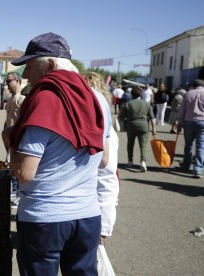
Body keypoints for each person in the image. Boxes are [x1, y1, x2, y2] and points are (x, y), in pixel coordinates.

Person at [2, 32, 111, 276]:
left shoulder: (45, 99)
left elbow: (24, 173)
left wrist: (10, 140)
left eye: (29, 66)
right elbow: (103, 160)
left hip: (45, 218)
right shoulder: (99, 100)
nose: (25, 75)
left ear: (50, 65)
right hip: (88, 215)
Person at [84, 71, 119, 245]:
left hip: (94, 215)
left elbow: (107, 178)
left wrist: (104, 227)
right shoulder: (87, 124)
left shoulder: (107, 132)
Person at [176, 79, 204, 178]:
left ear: (193, 86)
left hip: (188, 123)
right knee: (201, 146)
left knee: (188, 145)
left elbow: (181, 111)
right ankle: (198, 169)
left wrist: (179, 124)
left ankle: (186, 165)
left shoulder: (188, 94)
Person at [119, 86, 156, 172]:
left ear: (131, 94)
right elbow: (152, 118)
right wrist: (154, 129)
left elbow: (121, 117)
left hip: (131, 126)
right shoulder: (146, 104)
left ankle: (130, 161)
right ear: (141, 94)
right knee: (143, 145)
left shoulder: (127, 104)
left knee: (130, 144)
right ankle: (143, 162)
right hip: (144, 126)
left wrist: (122, 126)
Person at [4, 72, 26, 208]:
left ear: (17, 81)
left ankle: (18, 193)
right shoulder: (10, 100)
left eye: (9, 81)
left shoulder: (22, 99)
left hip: (18, 139)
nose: (7, 84)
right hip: (10, 139)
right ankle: (15, 192)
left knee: (18, 166)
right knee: (11, 165)